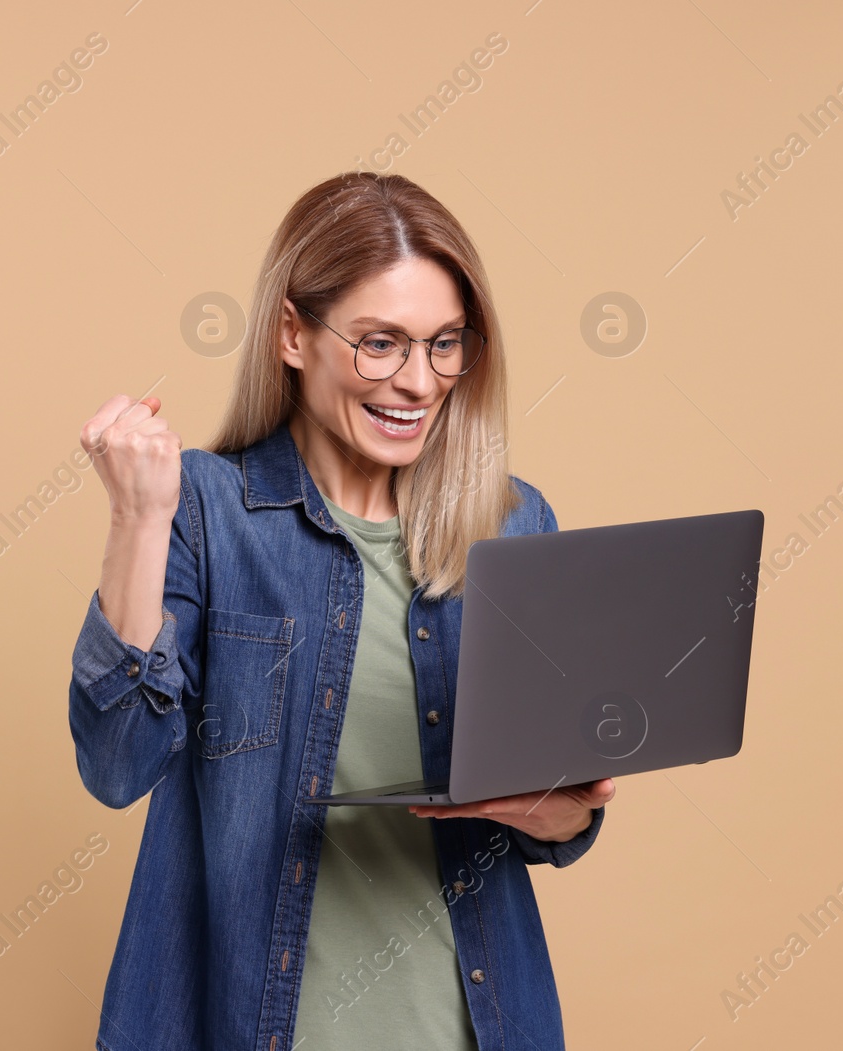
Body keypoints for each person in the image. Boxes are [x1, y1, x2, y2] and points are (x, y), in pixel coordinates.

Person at [68, 171, 615, 1051]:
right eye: (380, 343)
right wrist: (139, 515)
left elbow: (564, 825)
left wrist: (559, 812)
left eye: (444, 344)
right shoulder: (209, 511)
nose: (418, 381)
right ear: (293, 332)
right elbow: (117, 761)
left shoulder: (515, 525)